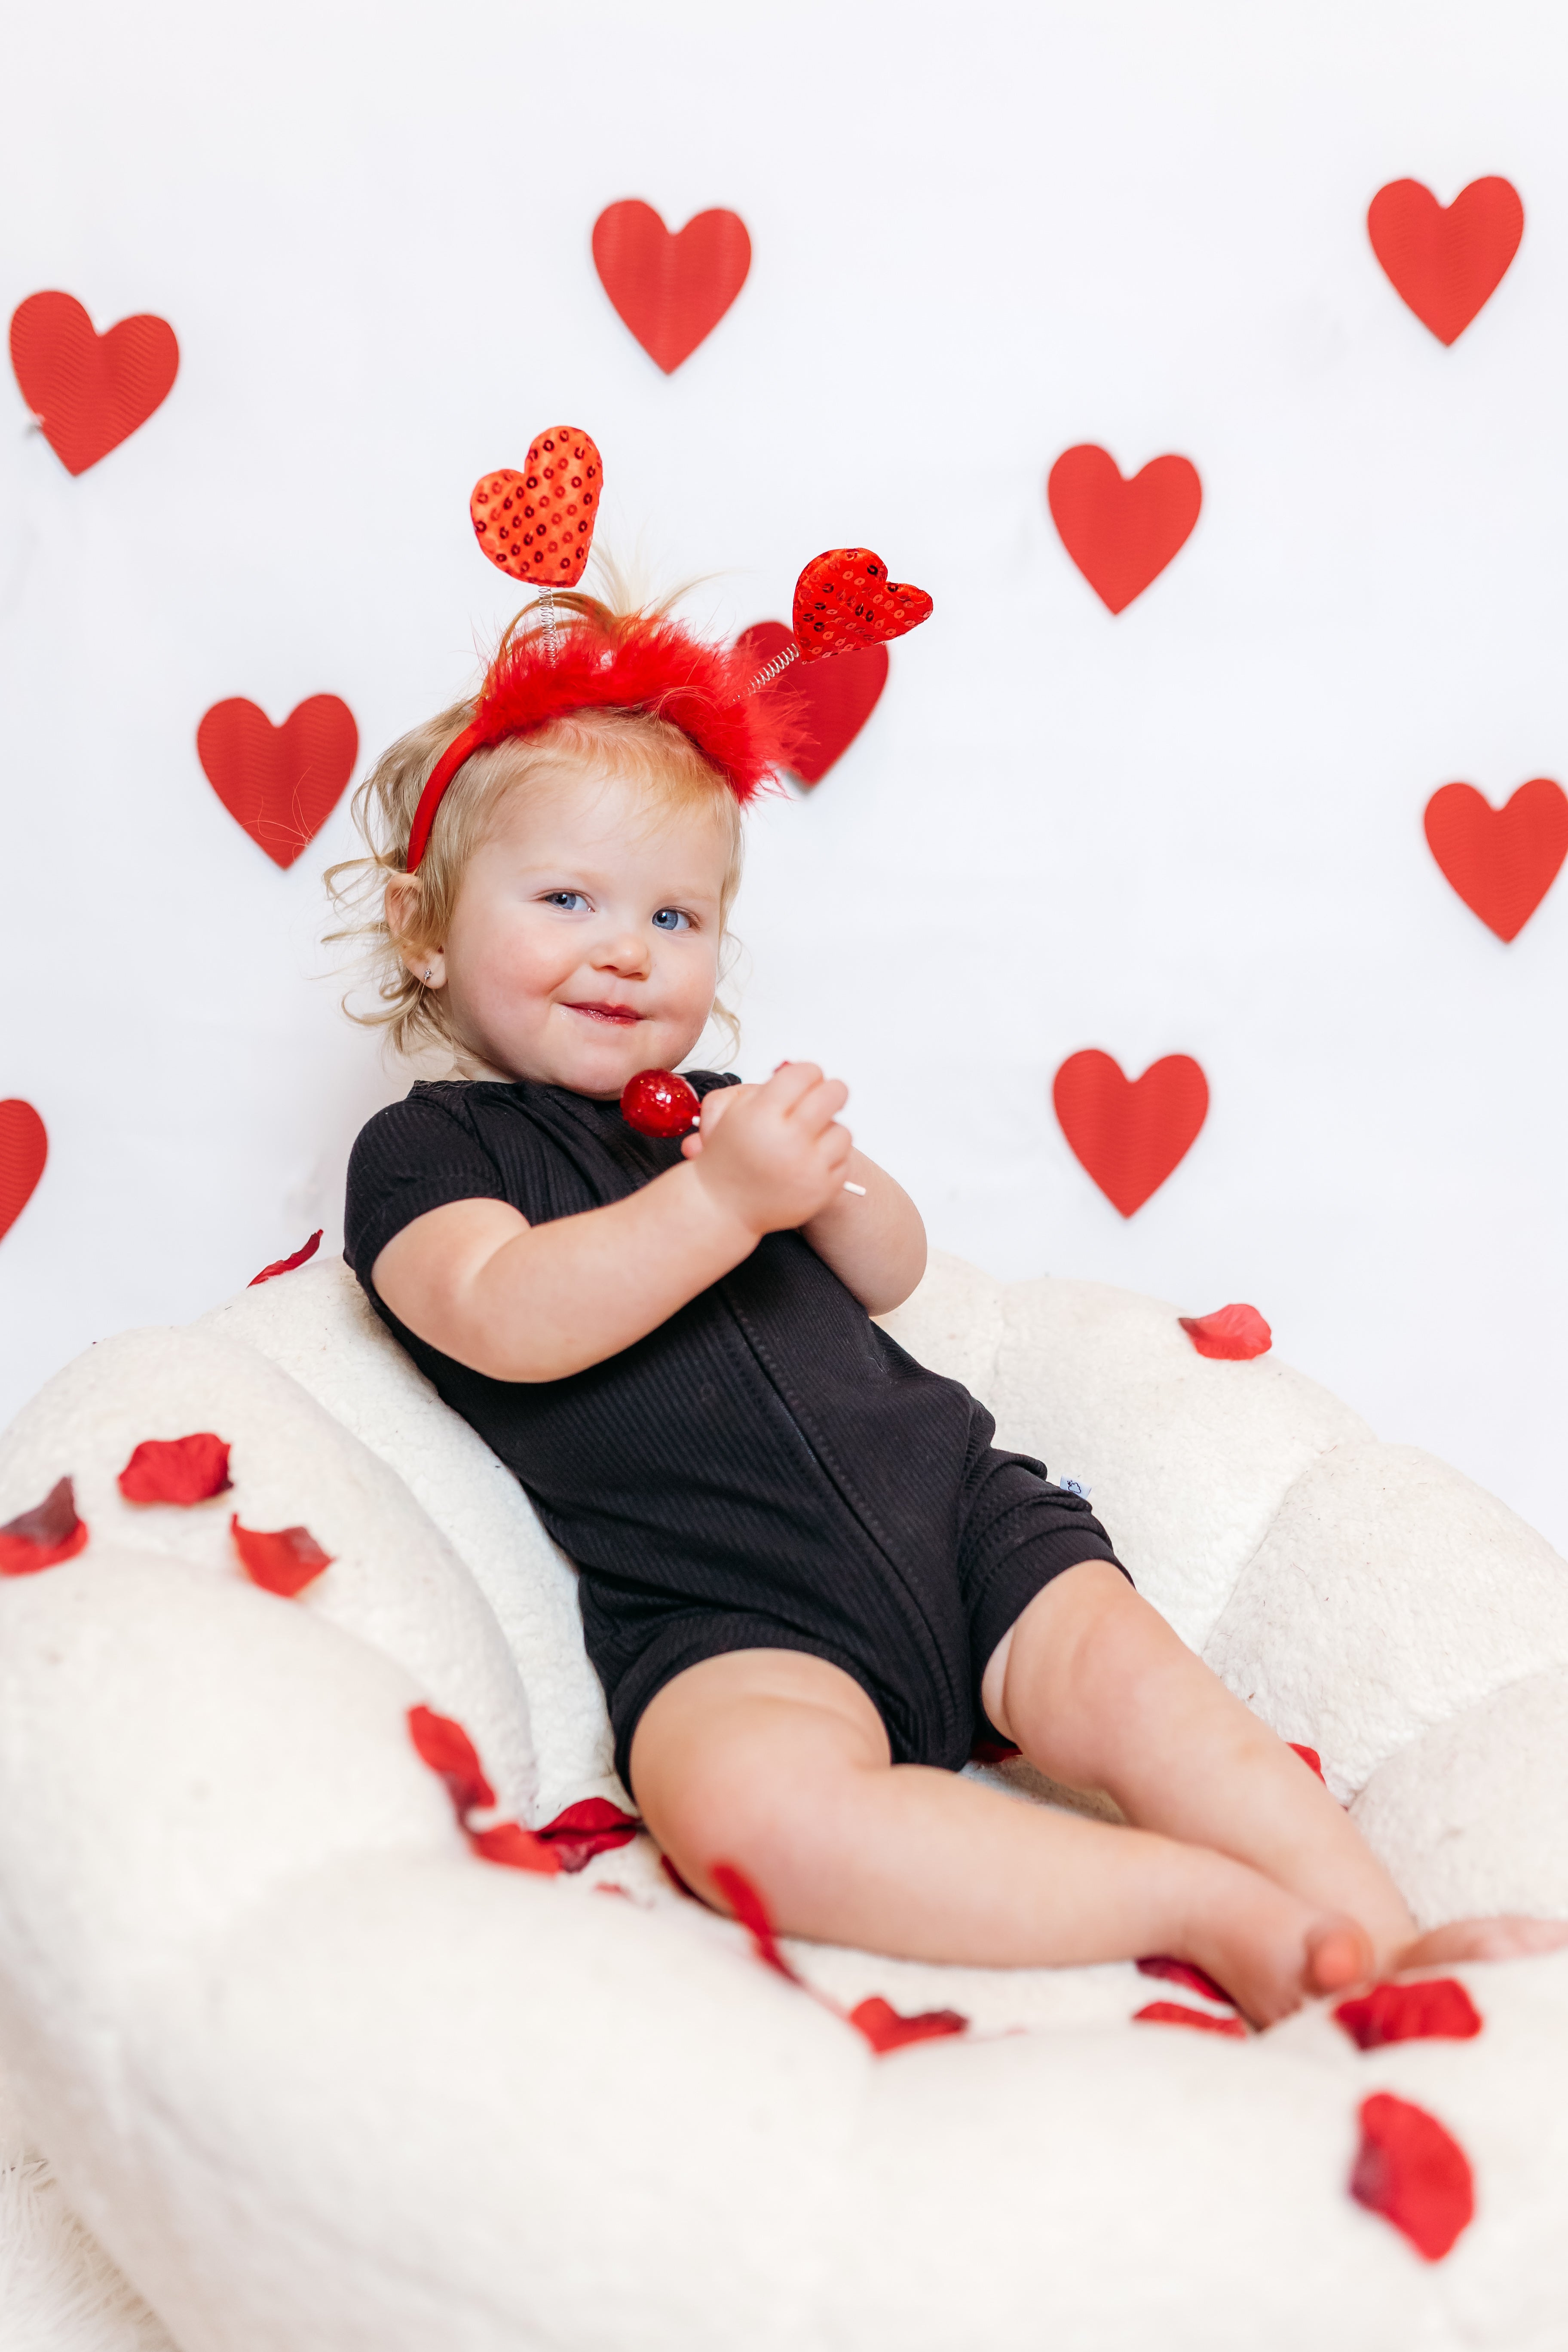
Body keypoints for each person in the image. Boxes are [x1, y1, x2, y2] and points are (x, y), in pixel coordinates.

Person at [336, 588, 1565, 2026]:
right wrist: (722, 1202)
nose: (627, 951)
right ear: (423, 928)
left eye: (676, 916)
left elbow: (893, 1268)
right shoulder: (430, 1152)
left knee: (1158, 1708)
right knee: (750, 1820)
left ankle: (1388, 1945)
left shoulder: (718, 1116)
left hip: (962, 1519)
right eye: (567, 901)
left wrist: (825, 1182)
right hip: (730, 1613)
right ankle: (1199, 1907)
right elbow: (505, 1313)